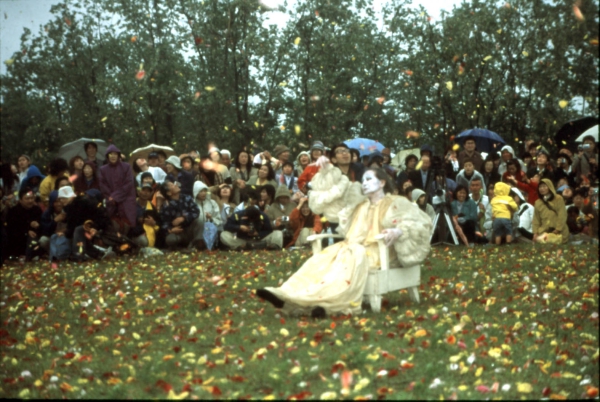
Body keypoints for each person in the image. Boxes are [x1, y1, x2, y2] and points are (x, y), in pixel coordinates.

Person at [256, 163, 431, 317]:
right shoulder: (359, 205)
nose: (364, 183)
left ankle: (325, 303)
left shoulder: (395, 202)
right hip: (353, 247)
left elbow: (419, 222)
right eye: (363, 180)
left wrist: (398, 230)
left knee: (352, 255)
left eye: (369, 179)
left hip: (381, 250)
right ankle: (287, 293)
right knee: (321, 260)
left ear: (382, 183)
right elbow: (334, 204)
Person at [99, 144, 137, 235]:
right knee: (113, 226)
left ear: (118, 155)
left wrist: (115, 196)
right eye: (110, 154)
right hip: (111, 200)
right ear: (107, 156)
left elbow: (129, 183)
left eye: (115, 154)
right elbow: (103, 185)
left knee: (128, 226)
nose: (113, 156)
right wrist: (111, 197)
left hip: (126, 199)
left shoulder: (126, 166)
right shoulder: (103, 169)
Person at [159, 180, 204, 252]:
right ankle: (178, 248)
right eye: (172, 185)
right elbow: (163, 224)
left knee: (199, 221)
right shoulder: (166, 206)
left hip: (189, 229)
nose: (176, 185)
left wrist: (184, 218)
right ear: (168, 193)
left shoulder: (187, 198)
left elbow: (196, 211)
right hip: (177, 233)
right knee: (170, 239)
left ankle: (197, 245)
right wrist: (171, 230)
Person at [5, 187, 43, 260]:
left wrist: (37, 225)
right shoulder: (13, 211)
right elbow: (12, 227)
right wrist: (27, 230)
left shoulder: (37, 210)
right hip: (19, 236)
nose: (30, 201)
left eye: (32, 198)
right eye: (27, 199)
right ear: (20, 200)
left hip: (35, 235)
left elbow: (43, 224)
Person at [532, 179, 569, 244]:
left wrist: (558, 229)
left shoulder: (558, 198)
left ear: (550, 187)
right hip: (544, 231)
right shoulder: (537, 203)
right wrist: (535, 233)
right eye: (540, 187)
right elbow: (536, 219)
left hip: (559, 232)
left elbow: (562, 215)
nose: (542, 189)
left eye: (544, 186)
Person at [130, 183, 163, 249]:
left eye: (148, 191)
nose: (146, 193)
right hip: (134, 235)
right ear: (138, 192)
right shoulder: (131, 204)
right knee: (143, 240)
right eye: (143, 190)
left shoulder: (152, 208)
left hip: (149, 235)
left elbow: (159, 223)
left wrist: (154, 223)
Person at [193, 181, 222, 250]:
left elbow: (219, 220)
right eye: (201, 191)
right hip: (196, 231)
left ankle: (210, 244)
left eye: (204, 191)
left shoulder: (212, 203)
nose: (203, 193)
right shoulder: (192, 204)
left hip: (210, 229)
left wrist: (211, 218)